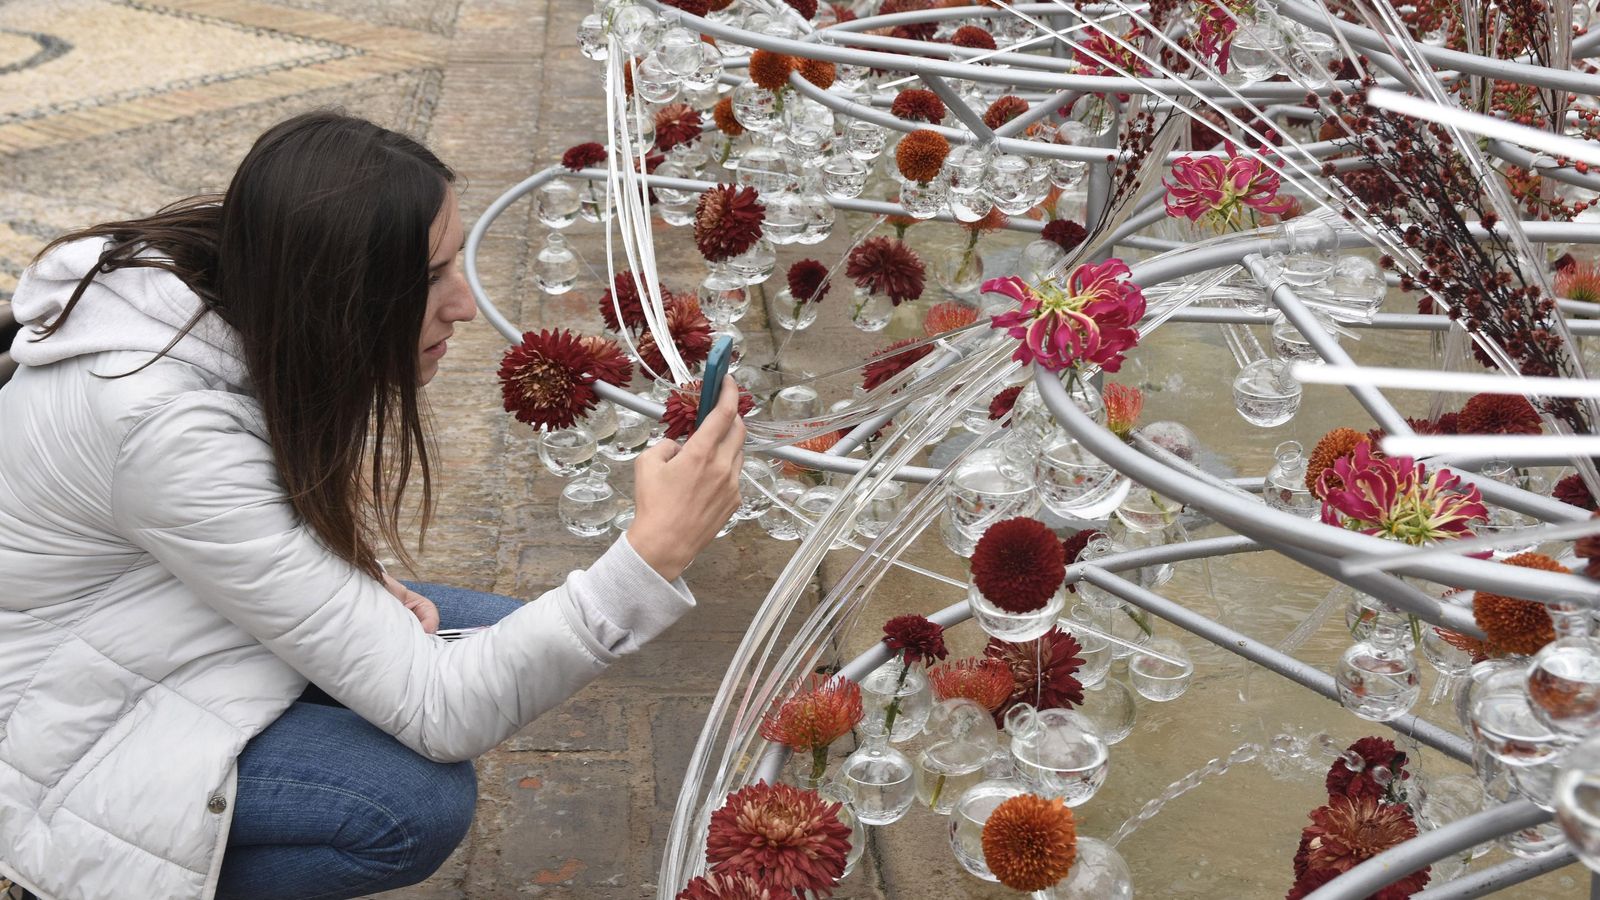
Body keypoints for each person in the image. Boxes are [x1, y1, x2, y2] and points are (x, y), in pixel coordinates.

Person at [0, 111, 745, 900]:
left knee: (497, 634)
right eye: (430, 277)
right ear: (335, 290)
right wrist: (650, 554)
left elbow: (211, 516)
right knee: (408, 803)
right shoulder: (162, 426)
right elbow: (441, 710)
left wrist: (332, 569)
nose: (464, 304)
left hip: (143, 622)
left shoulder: (237, 285)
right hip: (48, 718)